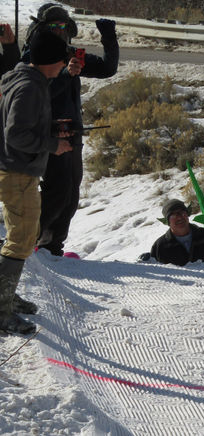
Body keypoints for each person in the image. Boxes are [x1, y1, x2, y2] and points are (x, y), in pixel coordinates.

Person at [22, 4, 119, 256]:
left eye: (63, 26)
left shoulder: (70, 54)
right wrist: (65, 74)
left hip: (71, 133)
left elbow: (108, 69)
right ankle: (26, 241)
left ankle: (52, 246)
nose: (59, 31)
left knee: (71, 194)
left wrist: (108, 35)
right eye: (53, 27)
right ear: (42, 28)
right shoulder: (32, 56)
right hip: (48, 135)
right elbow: (36, 95)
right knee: (58, 190)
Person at [0, 29, 72, 334]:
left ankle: (5, 297)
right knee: (22, 237)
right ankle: (1, 310)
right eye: (61, 61)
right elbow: (15, 133)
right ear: (50, 61)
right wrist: (52, 144)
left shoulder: (20, 77)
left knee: (21, 236)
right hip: (18, 172)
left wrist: (49, 130)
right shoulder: (30, 87)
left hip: (15, 169)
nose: (63, 67)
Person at [150, 199, 204, 266]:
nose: (179, 217)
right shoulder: (160, 247)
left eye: (182, 213)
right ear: (167, 221)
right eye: (174, 215)